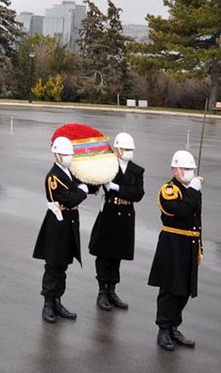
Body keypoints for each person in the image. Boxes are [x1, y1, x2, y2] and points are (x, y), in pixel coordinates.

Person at [148, 150, 203, 351]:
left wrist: (199, 245)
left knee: (184, 290)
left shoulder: (192, 190)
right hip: (173, 244)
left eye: (191, 169)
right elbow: (181, 211)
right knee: (170, 289)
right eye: (186, 169)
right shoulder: (169, 190)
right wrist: (194, 190)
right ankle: (163, 329)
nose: (189, 172)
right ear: (175, 169)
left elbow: (195, 219)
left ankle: (174, 326)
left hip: (189, 244)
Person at [32, 135, 89, 323]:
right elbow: (69, 198)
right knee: (53, 265)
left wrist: (89, 183)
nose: (69, 157)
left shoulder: (69, 172)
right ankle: (48, 303)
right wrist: (82, 191)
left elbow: (77, 190)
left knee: (63, 264)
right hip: (57, 224)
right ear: (56, 155)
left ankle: (57, 301)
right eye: (65, 154)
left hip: (69, 222)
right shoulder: (53, 177)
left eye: (70, 154)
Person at [88, 132, 145, 311]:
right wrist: (99, 183)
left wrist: (116, 187)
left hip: (126, 214)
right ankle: (102, 291)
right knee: (104, 254)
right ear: (118, 149)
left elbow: (138, 194)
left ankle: (112, 290)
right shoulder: (108, 165)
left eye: (131, 149)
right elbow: (93, 183)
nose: (129, 152)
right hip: (110, 213)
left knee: (117, 255)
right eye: (126, 149)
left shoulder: (137, 170)